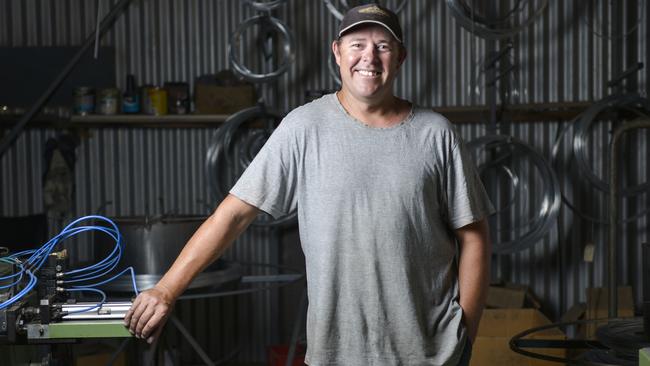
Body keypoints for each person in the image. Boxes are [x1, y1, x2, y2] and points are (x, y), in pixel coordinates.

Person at [125, 3, 494, 365]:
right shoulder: (304, 128)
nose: (369, 56)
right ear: (337, 52)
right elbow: (234, 215)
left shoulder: (436, 134)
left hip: (430, 354)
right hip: (336, 354)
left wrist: (465, 337)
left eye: (383, 46)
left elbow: (474, 235)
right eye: (357, 44)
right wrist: (167, 288)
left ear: (400, 57)